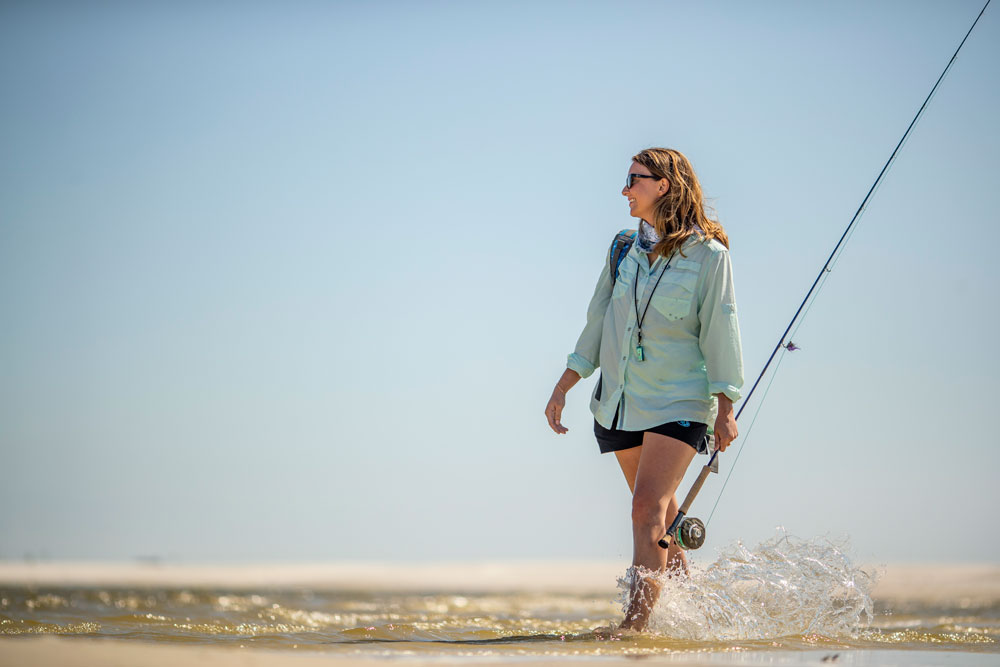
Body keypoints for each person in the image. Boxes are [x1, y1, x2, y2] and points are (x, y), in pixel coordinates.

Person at [544, 148, 744, 633]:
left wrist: (725, 406)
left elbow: (722, 328)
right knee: (662, 517)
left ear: (665, 185)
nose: (625, 188)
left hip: (679, 400)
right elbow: (598, 319)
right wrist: (567, 381)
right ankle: (693, 616)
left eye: (635, 179)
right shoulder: (621, 248)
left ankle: (634, 626)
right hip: (620, 401)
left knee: (645, 507)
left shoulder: (709, 257)